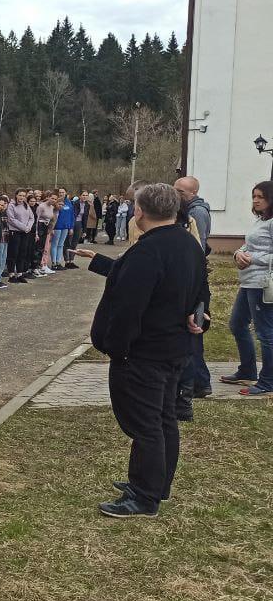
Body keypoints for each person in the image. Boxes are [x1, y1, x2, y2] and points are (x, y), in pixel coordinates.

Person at [85, 183, 206, 518]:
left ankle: (144, 496)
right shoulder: (188, 243)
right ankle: (156, 483)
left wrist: (116, 347)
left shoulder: (148, 250)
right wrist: (201, 313)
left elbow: (128, 307)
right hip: (173, 348)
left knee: (145, 424)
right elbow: (200, 289)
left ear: (139, 211)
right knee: (163, 418)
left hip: (144, 352)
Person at [221, 181, 273, 396]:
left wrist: (252, 258)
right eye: (254, 196)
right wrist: (238, 254)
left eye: (261, 196)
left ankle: (268, 381)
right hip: (248, 281)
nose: (255, 200)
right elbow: (248, 245)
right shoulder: (261, 220)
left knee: (266, 333)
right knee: (237, 324)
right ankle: (247, 370)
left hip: (263, 284)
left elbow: (263, 254)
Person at [174, 176, 213, 399]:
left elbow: (198, 246)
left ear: (193, 193)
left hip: (195, 280)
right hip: (194, 278)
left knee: (194, 333)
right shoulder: (189, 210)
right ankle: (198, 381)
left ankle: (200, 382)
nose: (176, 194)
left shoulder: (196, 213)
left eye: (180, 191)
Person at [4, 189, 35, 284]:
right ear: (16, 195)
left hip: (25, 232)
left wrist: (28, 227)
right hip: (15, 232)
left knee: (22, 253)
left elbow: (31, 217)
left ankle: (20, 274)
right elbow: (11, 219)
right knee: (13, 253)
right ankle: (11, 274)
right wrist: (24, 227)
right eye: (20, 195)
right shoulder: (11, 205)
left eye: (23, 196)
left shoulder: (26, 205)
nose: (22, 197)